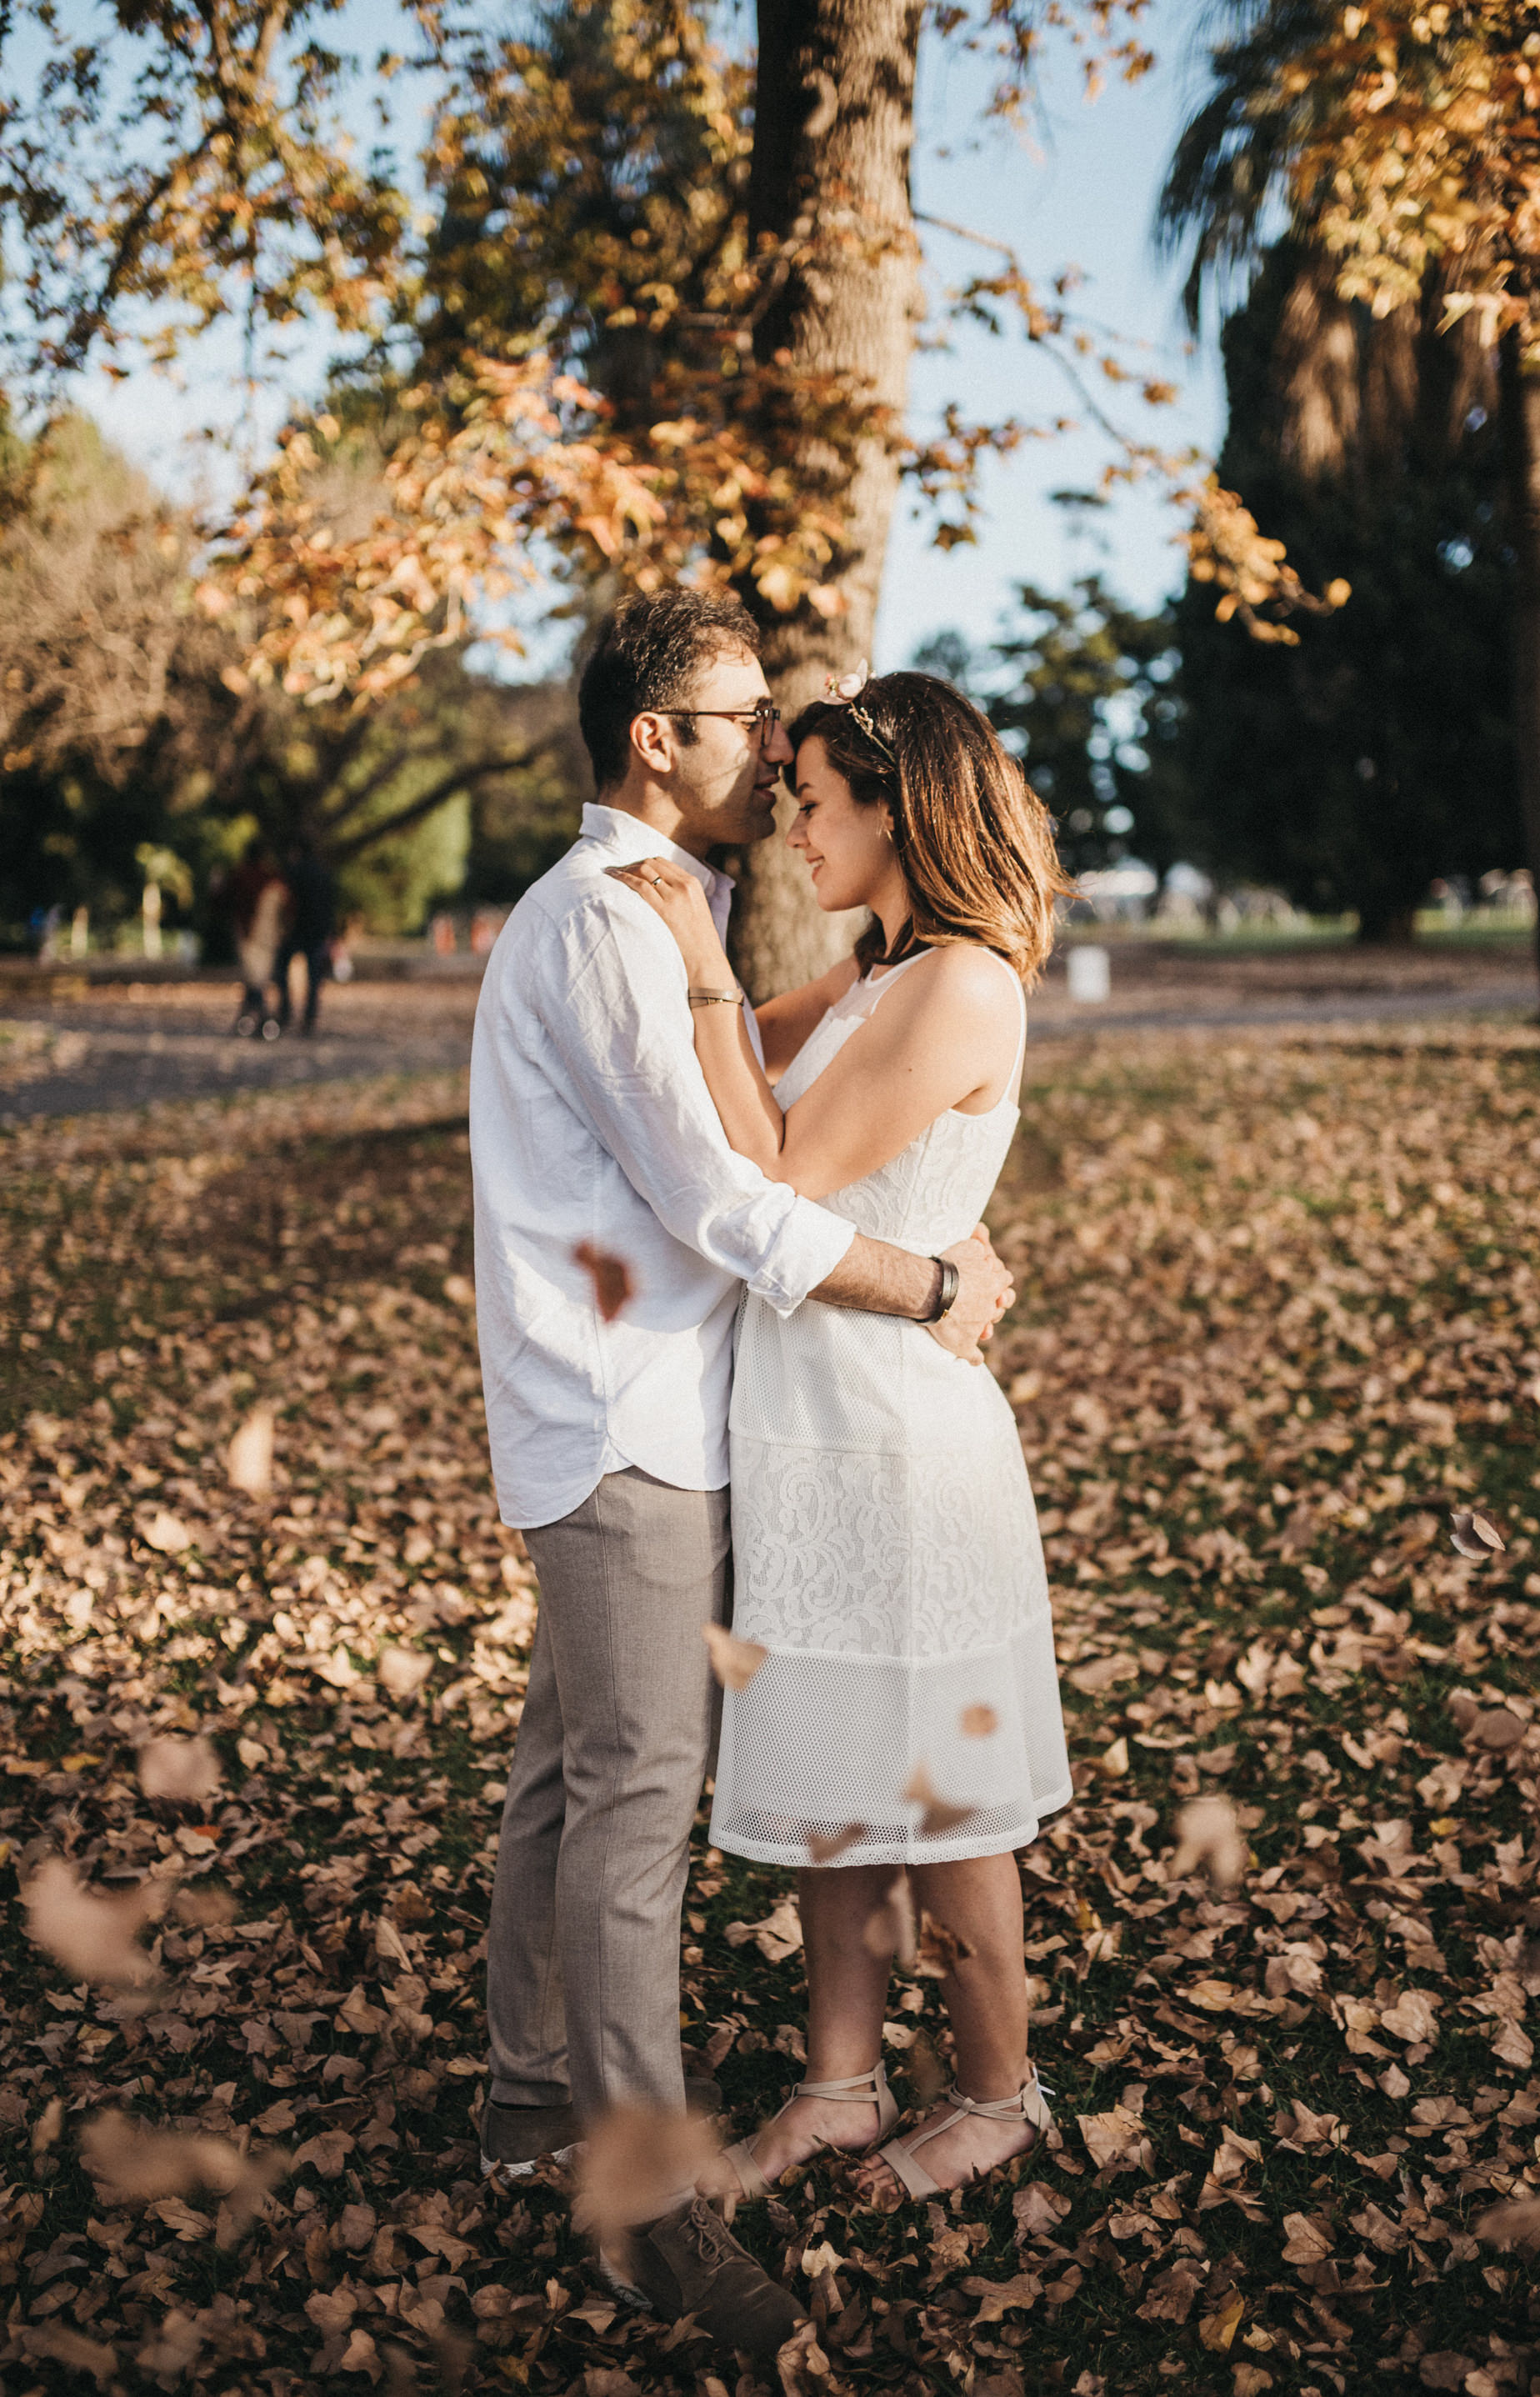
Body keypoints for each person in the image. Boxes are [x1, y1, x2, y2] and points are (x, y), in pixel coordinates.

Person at [468, 593, 1015, 2356]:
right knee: (631, 1806)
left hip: (657, 1411)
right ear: (655, 736)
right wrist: (932, 1282)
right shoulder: (618, 922)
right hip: (624, 1417)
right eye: (744, 718)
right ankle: (642, 2208)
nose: (773, 750)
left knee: (572, 1775)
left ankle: (533, 2097)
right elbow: (733, 1197)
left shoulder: (674, 908)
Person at [611, 668, 1072, 2212]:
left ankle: (1001, 2095)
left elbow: (789, 1162)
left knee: (941, 1791)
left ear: (898, 804)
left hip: (900, 1443)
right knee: (833, 1788)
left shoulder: (966, 984)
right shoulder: (881, 973)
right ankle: (839, 2087)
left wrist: (689, 951)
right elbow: (747, 1047)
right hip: (810, 1436)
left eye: (812, 802)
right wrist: (701, 980)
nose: (793, 830)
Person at [270, 840, 338, 1035]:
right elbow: (330, 905)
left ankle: (285, 1010)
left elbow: (283, 903)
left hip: (293, 930)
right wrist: (331, 933)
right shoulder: (323, 874)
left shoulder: (290, 873)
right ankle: (310, 1016)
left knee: (281, 970)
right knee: (314, 976)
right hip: (316, 930)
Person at [222, 841, 289, 1038]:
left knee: (255, 978)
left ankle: (260, 1018)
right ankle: (254, 1018)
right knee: (256, 978)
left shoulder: (241, 876)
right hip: (267, 935)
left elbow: (225, 901)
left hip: (250, 933)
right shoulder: (273, 878)